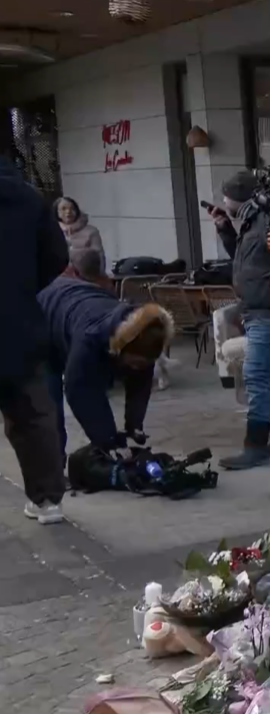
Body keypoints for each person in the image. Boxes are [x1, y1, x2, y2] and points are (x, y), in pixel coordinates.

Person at [208, 170, 270, 470]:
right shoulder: (251, 222)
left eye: (226, 197)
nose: (224, 202)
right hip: (259, 309)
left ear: (239, 196)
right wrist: (226, 230)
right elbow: (246, 259)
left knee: (257, 374)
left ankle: (256, 445)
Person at [0, 155, 73, 523]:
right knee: (32, 415)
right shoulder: (29, 199)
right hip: (17, 323)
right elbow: (57, 256)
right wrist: (22, 289)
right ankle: (47, 500)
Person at [38, 267, 172, 460]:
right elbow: (81, 392)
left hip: (77, 303)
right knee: (50, 405)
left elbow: (140, 383)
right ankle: (52, 471)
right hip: (43, 317)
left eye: (142, 365)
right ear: (119, 349)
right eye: (133, 363)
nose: (136, 369)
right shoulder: (90, 339)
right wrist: (108, 441)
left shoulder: (142, 336)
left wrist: (134, 425)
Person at [55, 196, 106, 273]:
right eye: (63, 209)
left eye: (72, 208)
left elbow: (99, 257)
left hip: (88, 276)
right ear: (57, 212)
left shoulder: (91, 231)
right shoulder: (53, 231)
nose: (68, 211)